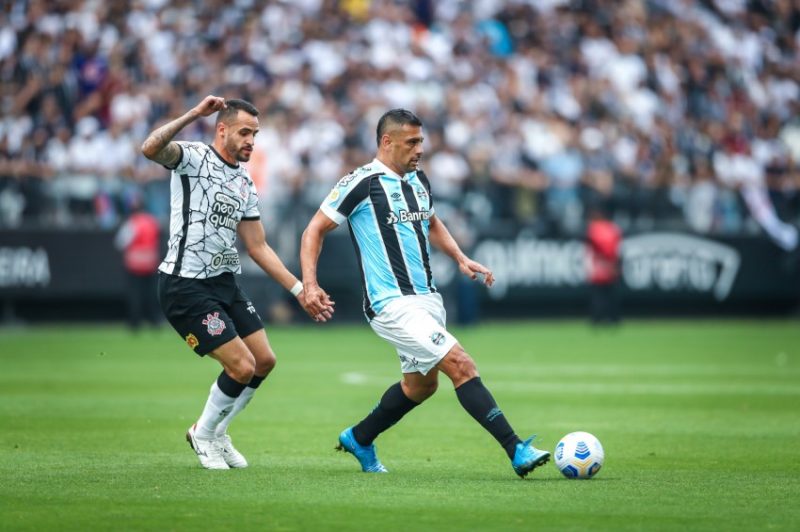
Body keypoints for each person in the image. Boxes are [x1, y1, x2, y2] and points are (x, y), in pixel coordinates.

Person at [300, 109, 550, 478]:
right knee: (461, 365)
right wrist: (310, 284)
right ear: (387, 142)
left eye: (421, 141)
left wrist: (461, 257)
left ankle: (359, 437)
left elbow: (431, 221)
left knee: (420, 386)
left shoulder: (418, 179)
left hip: (427, 300)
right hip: (391, 304)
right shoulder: (362, 182)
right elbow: (314, 230)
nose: (420, 149)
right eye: (412, 142)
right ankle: (516, 448)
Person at [141, 95, 333, 470]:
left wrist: (300, 290)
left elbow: (258, 246)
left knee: (264, 360)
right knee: (241, 366)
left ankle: (217, 430)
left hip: (224, 281)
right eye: (245, 132)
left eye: (255, 134)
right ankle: (203, 434)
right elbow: (150, 148)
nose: (251, 141)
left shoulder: (244, 180)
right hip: (185, 284)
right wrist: (195, 112)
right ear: (222, 129)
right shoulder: (193, 158)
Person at [113, 197, 161, 331]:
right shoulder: (152, 221)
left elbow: (120, 242)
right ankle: (154, 320)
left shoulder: (131, 223)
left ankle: (135, 322)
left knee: (135, 294)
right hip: (150, 261)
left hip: (135, 263)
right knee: (151, 293)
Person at [586, 207, 622, 326]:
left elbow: (591, 248)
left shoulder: (594, 230)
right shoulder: (613, 228)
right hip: (612, 265)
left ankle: (597, 319)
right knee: (611, 294)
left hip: (599, 266)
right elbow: (617, 248)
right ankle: (614, 318)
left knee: (598, 295)